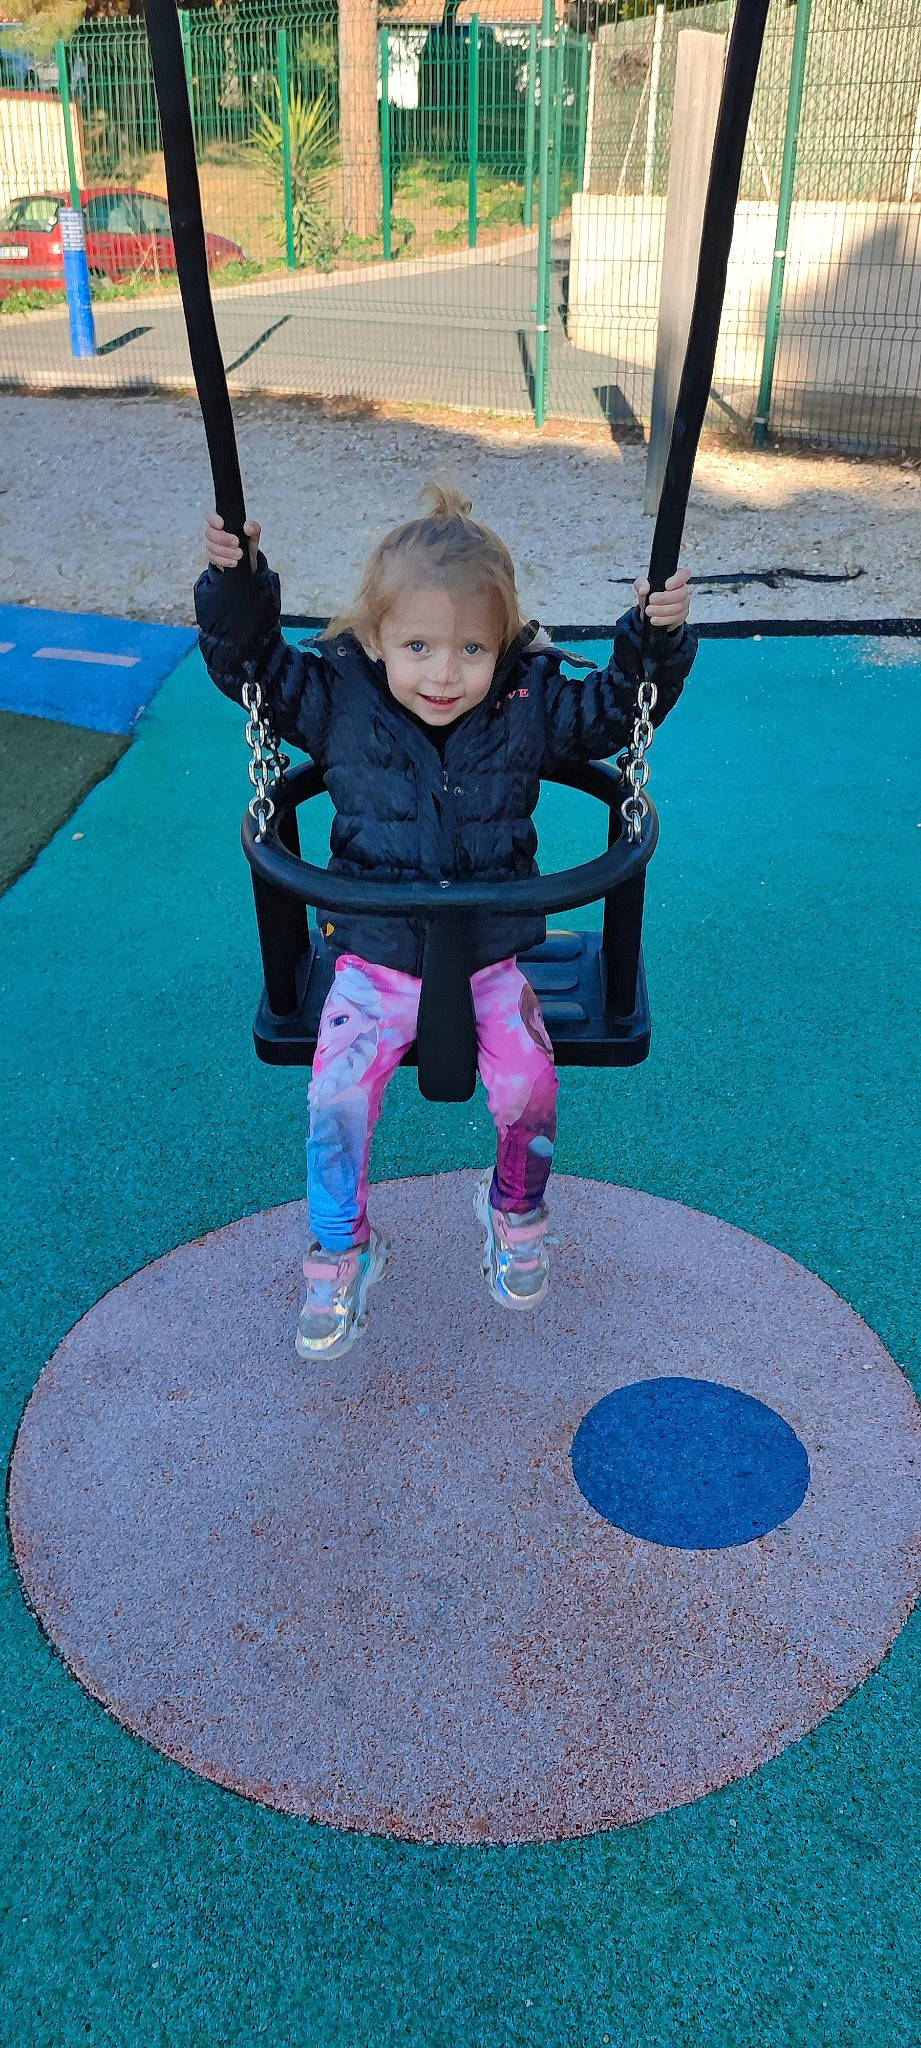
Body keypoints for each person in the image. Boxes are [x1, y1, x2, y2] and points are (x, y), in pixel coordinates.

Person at [195, 486, 695, 1359]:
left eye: (471, 647)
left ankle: (513, 1207)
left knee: (527, 1086)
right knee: (336, 1095)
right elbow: (252, 670)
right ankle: (342, 1246)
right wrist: (237, 588)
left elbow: (616, 709)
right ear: (373, 637)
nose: (443, 673)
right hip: (374, 959)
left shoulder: (529, 702)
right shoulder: (334, 697)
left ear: (501, 646)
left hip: (491, 958)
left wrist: (655, 640)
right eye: (417, 645)